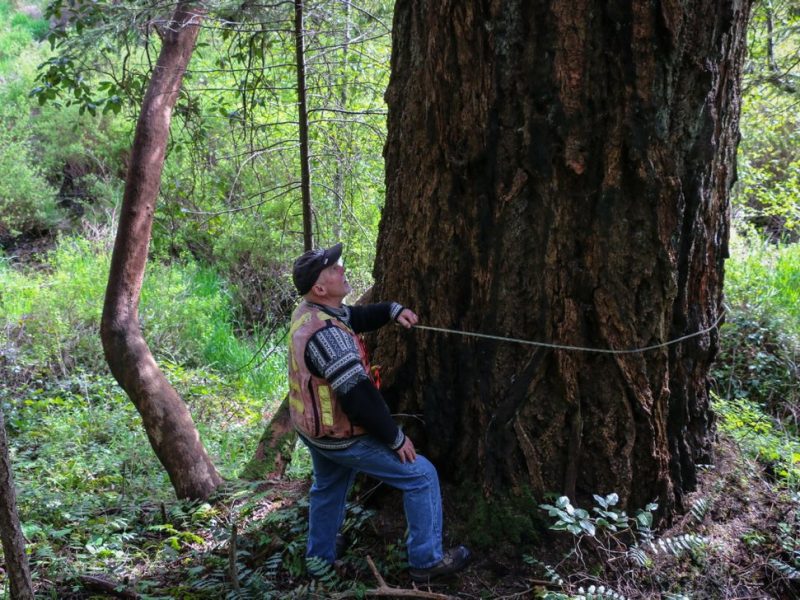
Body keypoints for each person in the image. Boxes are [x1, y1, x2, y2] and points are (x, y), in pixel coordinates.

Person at [288, 242, 471, 582]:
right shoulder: (329, 337)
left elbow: (354, 318)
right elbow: (359, 398)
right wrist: (394, 437)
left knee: (327, 487)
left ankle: (320, 557)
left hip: (314, 432)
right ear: (320, 287)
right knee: (422, 476)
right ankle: (426, 561)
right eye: (333, 268)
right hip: (340, 437)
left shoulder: (311, 313)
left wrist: (389, 310)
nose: (341, 269)